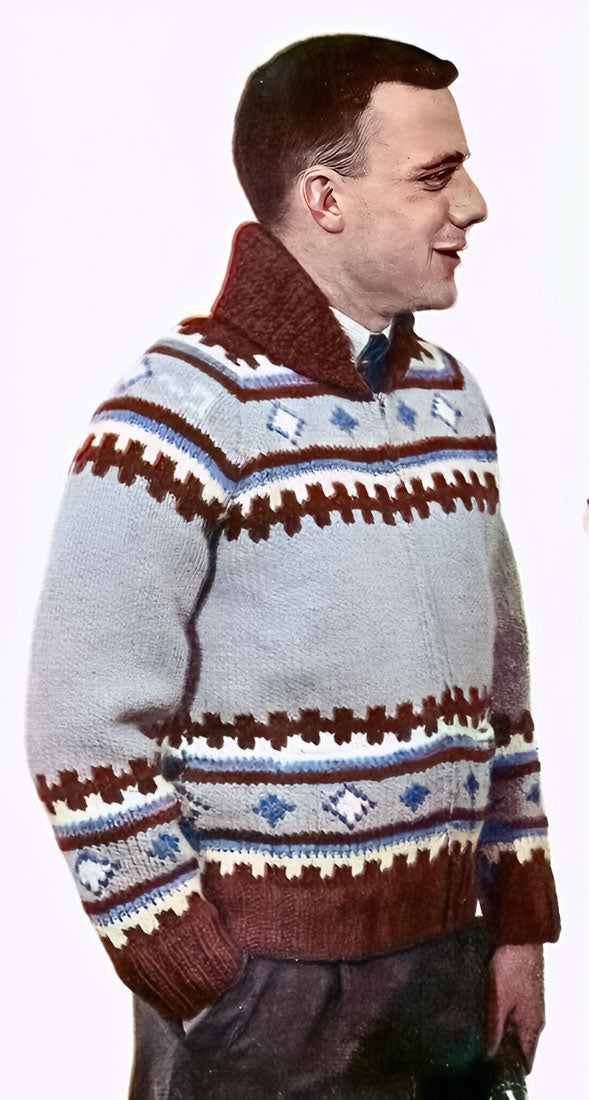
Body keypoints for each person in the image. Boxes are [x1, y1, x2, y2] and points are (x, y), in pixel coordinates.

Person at [25, 33, 560, 1100]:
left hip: (447, 975)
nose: (473, 205)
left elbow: (502, 699)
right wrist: (197, 975)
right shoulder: (176, 415)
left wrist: (517, 926)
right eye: (434, 176)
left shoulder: (451, 400)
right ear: (324, 199)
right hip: (265, 1000)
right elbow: (79, 730)